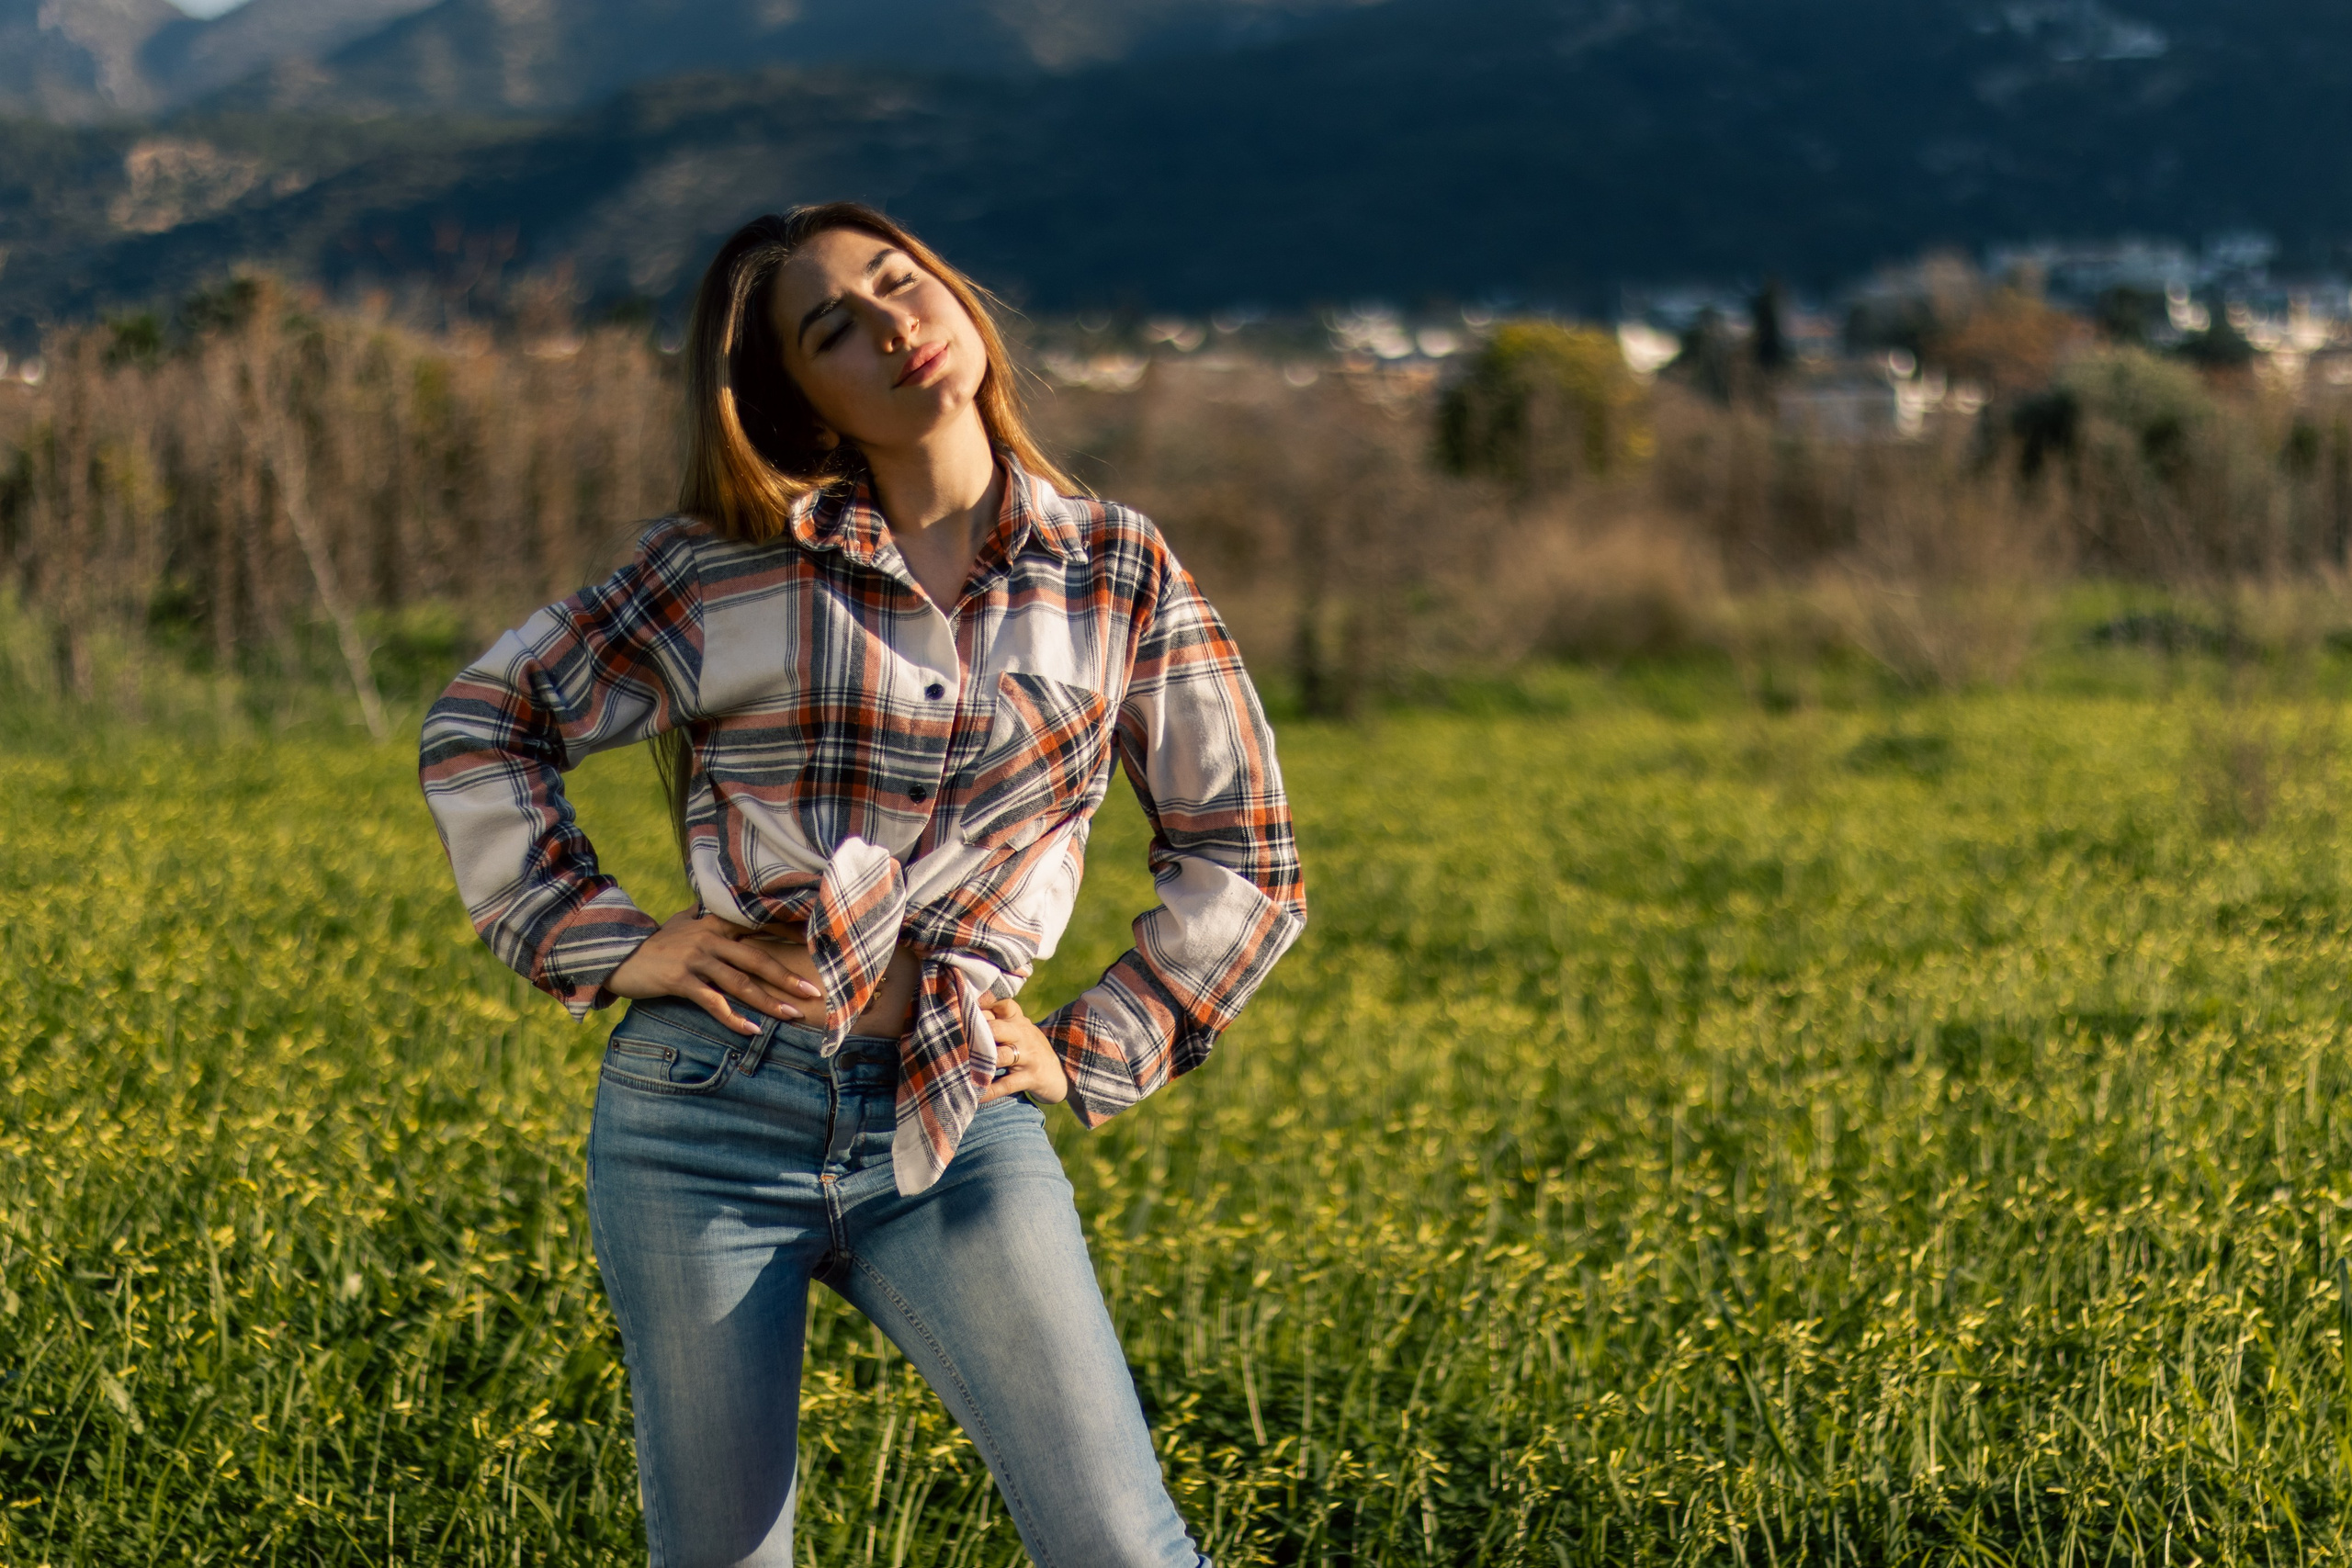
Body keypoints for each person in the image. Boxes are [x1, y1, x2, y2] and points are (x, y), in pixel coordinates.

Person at [418, 202, 1306, 1567]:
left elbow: (1245, 847)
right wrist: (611, 941)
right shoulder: (720, 571)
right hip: (703, 1118)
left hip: (957, 1118)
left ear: (954, 293)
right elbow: (484, 725)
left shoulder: (1115, 568)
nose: (895, 327)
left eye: (902, 284)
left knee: (1121, 1548)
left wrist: (1093, 1051)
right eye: (836, 327)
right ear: (798, 392)